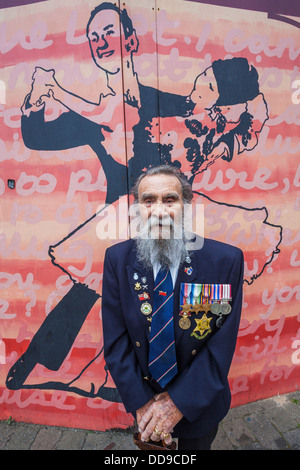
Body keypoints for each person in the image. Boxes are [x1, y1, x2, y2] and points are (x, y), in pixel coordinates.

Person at [101, 164, 244, 450]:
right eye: (148, 201)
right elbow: (116, 342)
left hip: (200, 403)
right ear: (138, 209)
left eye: (170, 199)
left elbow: (221, 344)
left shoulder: (224, 261)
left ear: (186, 206)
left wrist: (178, 403)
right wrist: (142, 404)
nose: (159, 210)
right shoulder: (117, 259)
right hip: (144, 400)